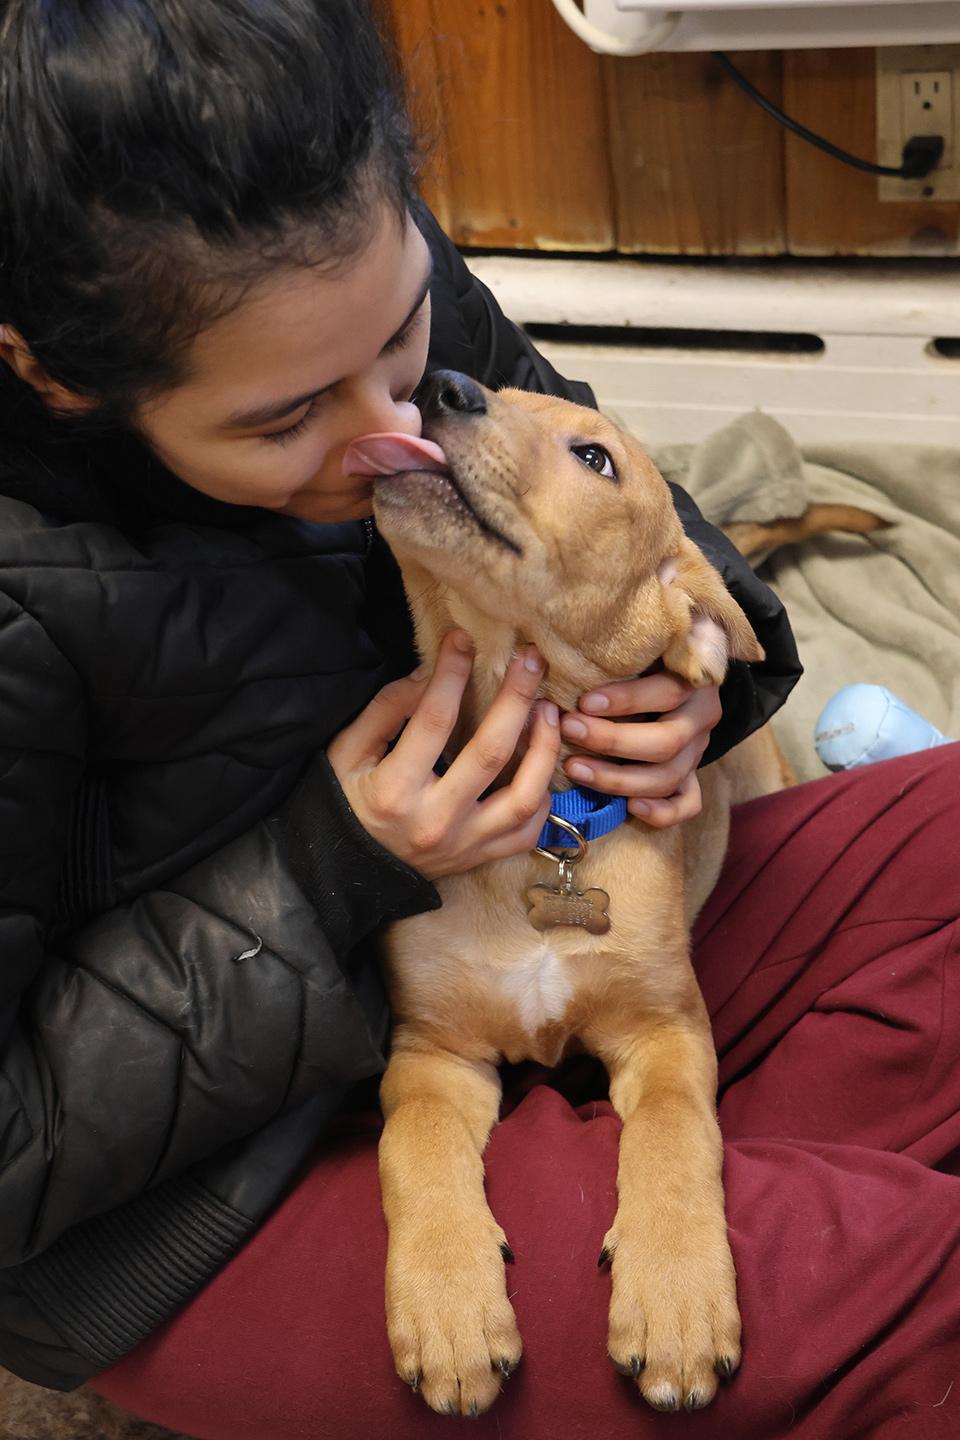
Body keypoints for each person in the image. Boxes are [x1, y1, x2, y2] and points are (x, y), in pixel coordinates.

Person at [0, 0, 875, 1430]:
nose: (398, 427)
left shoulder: (330, 260)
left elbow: (596, 481)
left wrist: (691, 680)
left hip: (535, 902)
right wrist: (322, 867)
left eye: (409, 336)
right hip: (201, 1187)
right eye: (287, 422)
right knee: (902, 1298)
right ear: (53, 373)